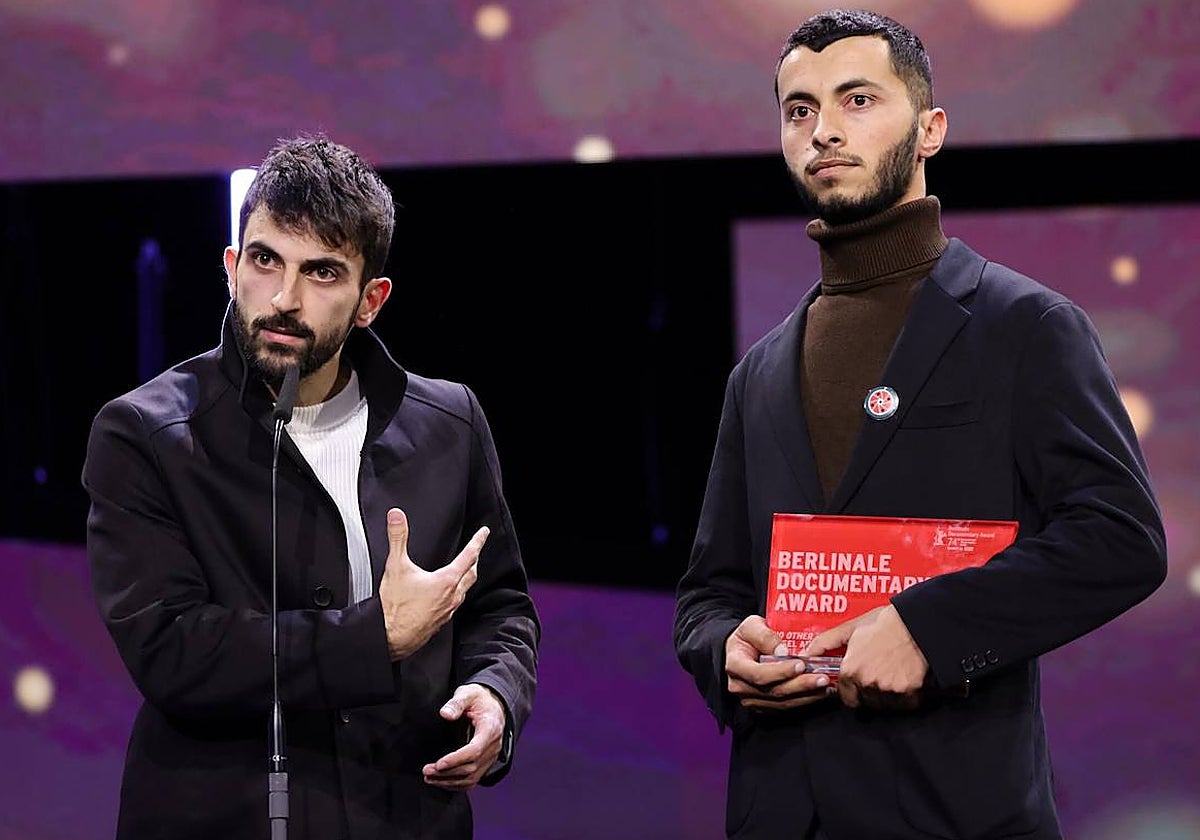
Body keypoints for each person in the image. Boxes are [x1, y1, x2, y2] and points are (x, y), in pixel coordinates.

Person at [673, 10, 1166, 839]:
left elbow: (1122, 537)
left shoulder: (1026, 326)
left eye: (857, 99)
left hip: (957, 810)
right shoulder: (756, 373)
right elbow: (708, 594)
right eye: (799, 110)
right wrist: (724, 652)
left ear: (930, 129)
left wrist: (928, 631)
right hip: (781, 812)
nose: (824, 130)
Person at [84, 136, 540, 839]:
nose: (285, 299)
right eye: (266, 261)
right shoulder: (145, 435)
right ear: (233, 266)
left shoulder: (450, 424)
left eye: (322, 273)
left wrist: (495, 694)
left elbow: (498, 606)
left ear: (370, 300)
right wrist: (375, 637)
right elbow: (175, 654)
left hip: (405, 815)